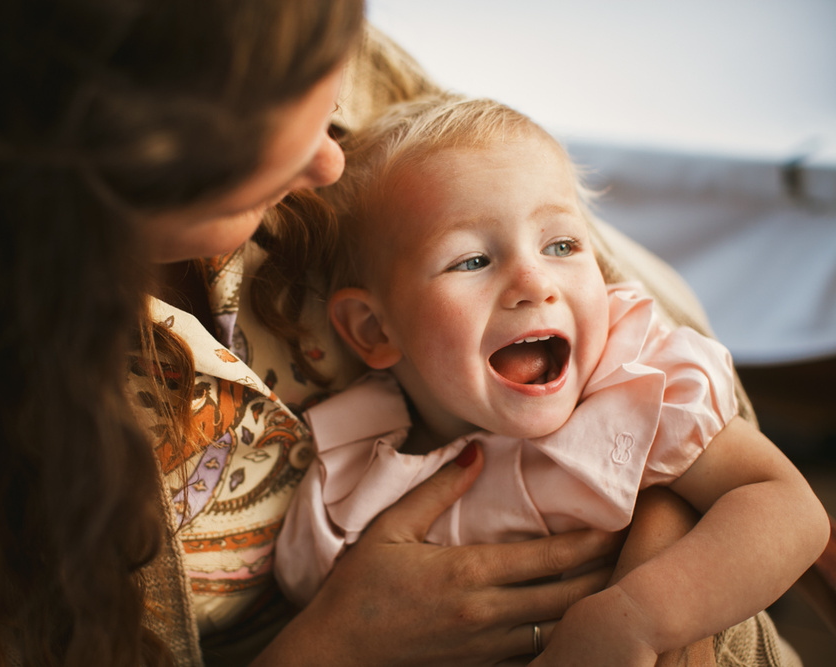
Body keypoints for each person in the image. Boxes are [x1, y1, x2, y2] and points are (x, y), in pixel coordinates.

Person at [0, 3, 632, 666]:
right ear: (101, 187)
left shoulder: (292, 36)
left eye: (326, 109)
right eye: (262, 164)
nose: (331, 161)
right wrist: (332, 646)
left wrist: (659, 590)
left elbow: (631, 319)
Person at [274, 95, 831, 665]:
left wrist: (636, 618)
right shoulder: (349, 482)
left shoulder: (636, 379)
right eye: (471, 261)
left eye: (561, 245)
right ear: (373, 328)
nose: (534, 283)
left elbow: (787, 508)